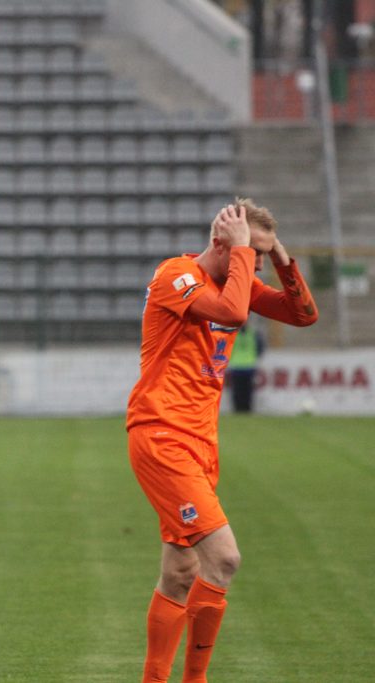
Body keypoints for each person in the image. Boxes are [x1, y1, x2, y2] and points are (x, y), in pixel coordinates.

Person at [126, 198, 318, 682]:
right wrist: (242, 254)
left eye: (256, 255)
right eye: (247, 252)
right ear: (221, 243)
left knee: (180, 572)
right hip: (161, 433)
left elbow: (303, 314)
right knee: (225, 558)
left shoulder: (241, 278)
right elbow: (231, 315)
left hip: (201, 442)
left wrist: (279, 256)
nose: (251, 263)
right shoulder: (176, 274)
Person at [227, 317, 265, 413]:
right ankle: (242, 410)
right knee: (243, 391)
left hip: (243, 366)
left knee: (241, 391)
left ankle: (241, 410)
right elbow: (260, 348)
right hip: (243, 366)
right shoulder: (253, 333)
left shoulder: (234, 333)